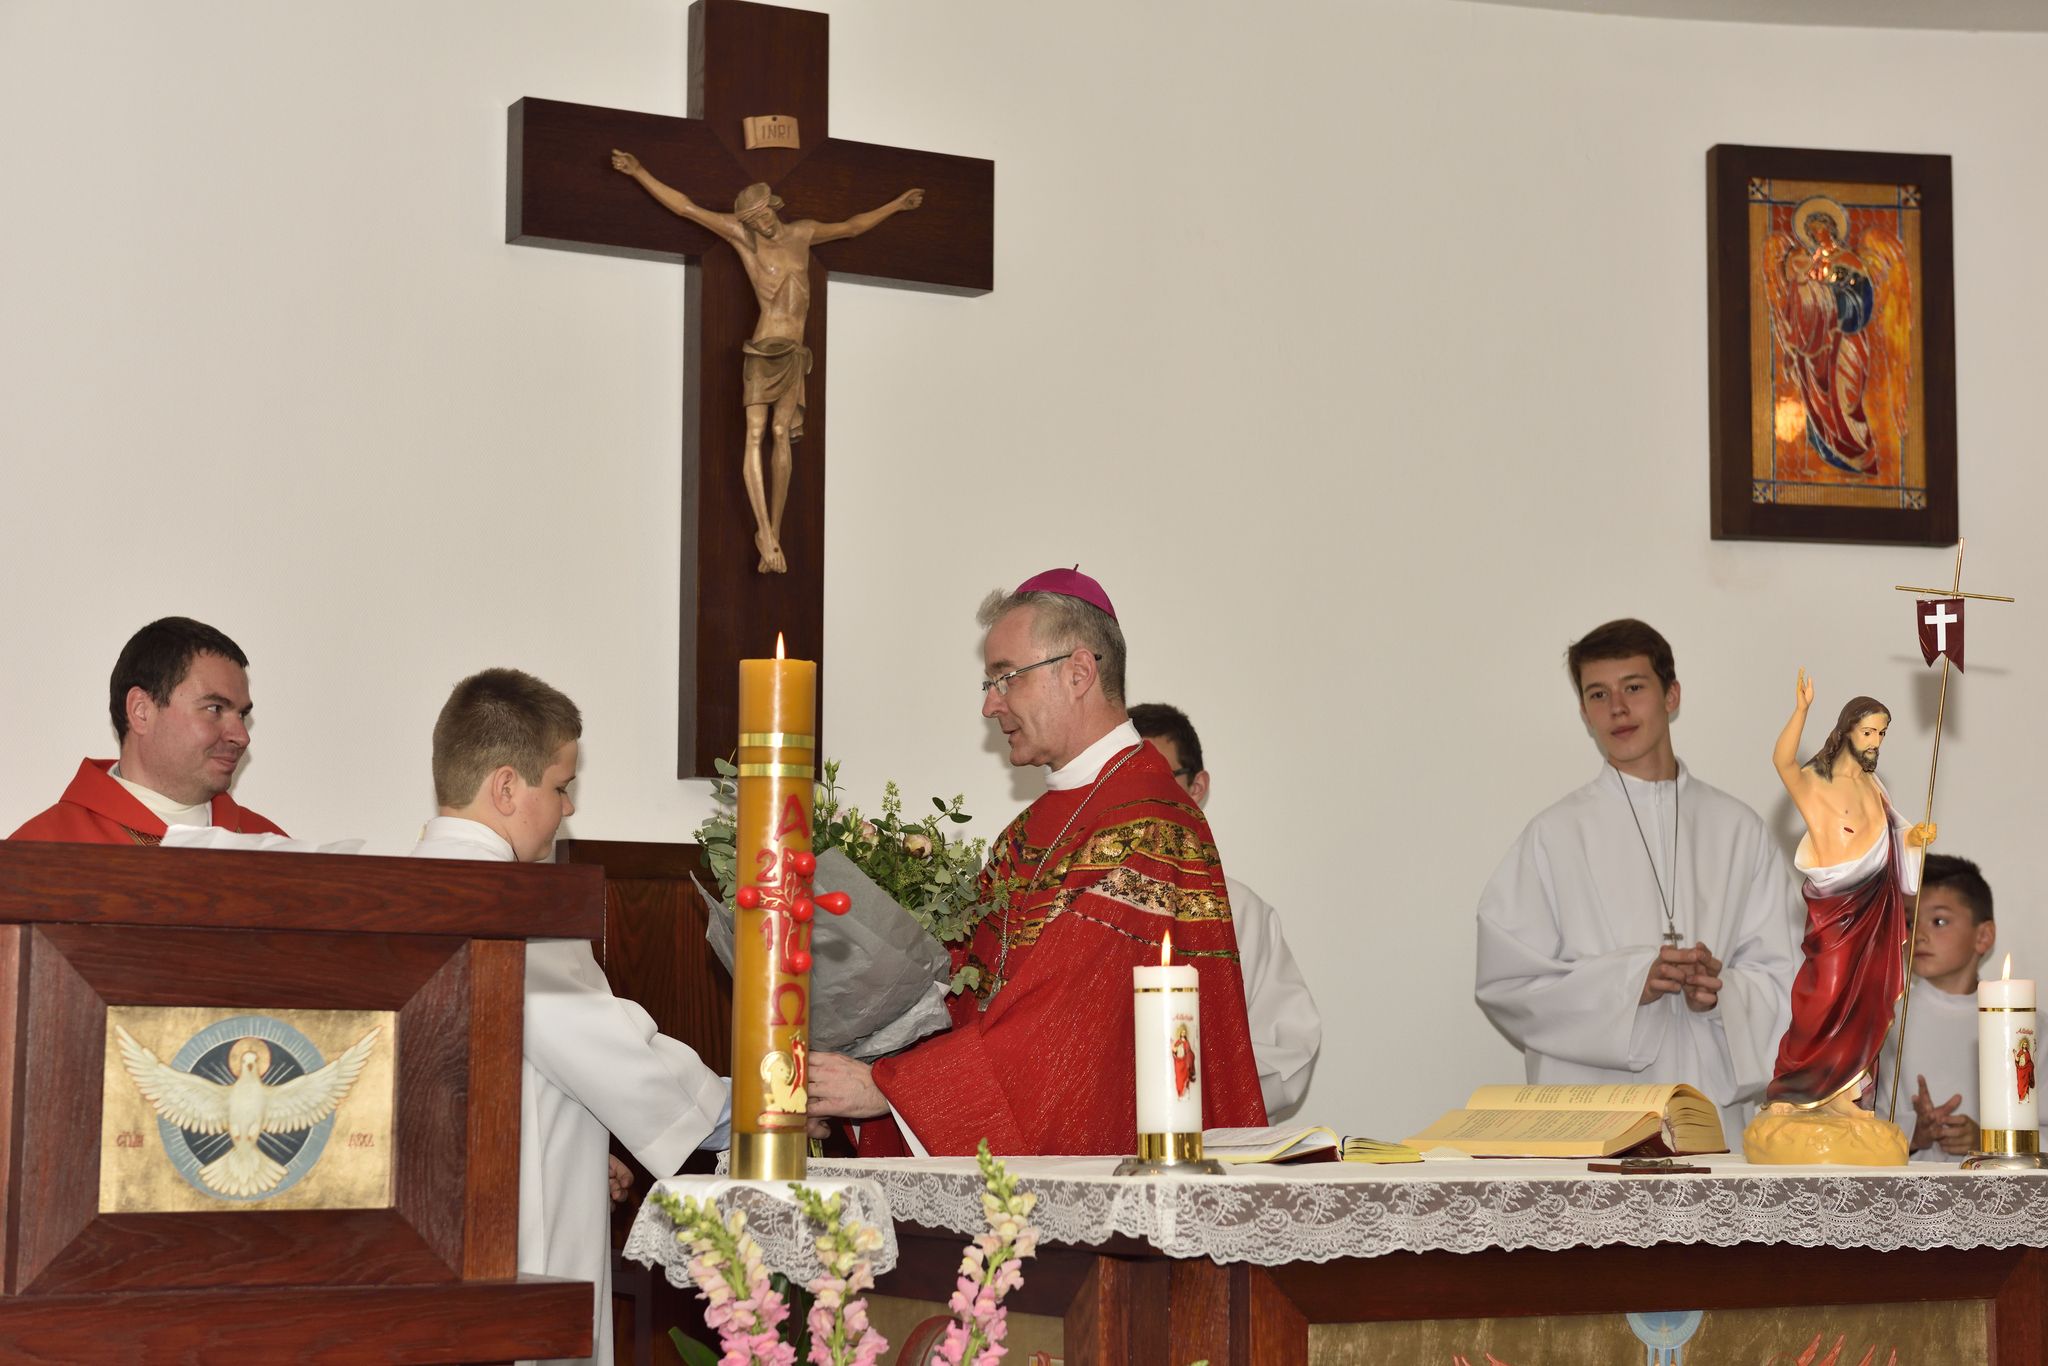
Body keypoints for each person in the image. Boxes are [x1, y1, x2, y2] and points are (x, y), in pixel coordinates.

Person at [805, 570, 1268, 1154]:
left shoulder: (1148, 824)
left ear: (1078, 672)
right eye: (989, 682)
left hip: (1114, 1171)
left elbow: (1063, 1026)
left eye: (1005, 678)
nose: (989, 705)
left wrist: (890, 1090)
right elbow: (963, 999)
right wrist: (850, 1065)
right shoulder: (1023, 835)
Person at [409, 668, 728, 1366]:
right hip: (516, 1243)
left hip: (415, 1247)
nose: (568, 807)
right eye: (560, 787)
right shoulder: (514, 907)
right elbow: (616, 1054)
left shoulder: (392, 894)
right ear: (505, 788)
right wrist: (752, 1109)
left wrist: (590, 1146)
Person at [1475, 618, 1802, 1140]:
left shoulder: (1737, 829)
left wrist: (1721, 995)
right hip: (1587, 1118)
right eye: (1598, 694)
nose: (1617, 709)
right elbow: (1508, 984)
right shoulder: (1554, 836)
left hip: (1707, 1113)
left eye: (1633, 687)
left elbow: (1788, 978)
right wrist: (1631, 985)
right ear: (1584, 712)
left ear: (1671, 696)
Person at [609, 150, 922, 574]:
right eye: (754, 221)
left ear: (775, 207)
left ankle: (773, 532)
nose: (763, 224)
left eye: (765, 216)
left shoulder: (803, 233)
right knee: (755, 433)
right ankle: (765, 532)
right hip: (763, 348)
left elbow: (851, 227)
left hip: (794, 353)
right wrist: (640, 171)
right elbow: (686, 208)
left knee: (780, 432)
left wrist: (897, 205)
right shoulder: (743, 239)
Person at [1129, 701, 1322, 1118]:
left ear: (1197, 787)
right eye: (1127, 781)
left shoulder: (1242, 912)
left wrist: (1182, 1078)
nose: (1141, 798)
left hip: (1217, 1141)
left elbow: (1290, 1050)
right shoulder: (1079, 904)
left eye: (1157, 779)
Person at [1765, 675, 1935, 1115]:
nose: (1876, 741)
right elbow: (1782, 761)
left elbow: (1889, 837)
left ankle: (1843, 1092)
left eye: (1882, 733)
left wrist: (1914, 837)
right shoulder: (1815, 782)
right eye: (1868, 732)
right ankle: (1792, 1086)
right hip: (1836, 907)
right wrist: (1801, 711)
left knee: (1866, 997)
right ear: (1846, 731)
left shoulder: (1874, 787)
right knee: (1825, 992)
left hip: (1875, 903)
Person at [11, 616, 285, 844]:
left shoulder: (272, 849)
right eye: (215, 708)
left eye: (242, 714)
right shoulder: (39, 853)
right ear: (141, 711)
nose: (241, 736)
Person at [1873, 855, 1997, 1163]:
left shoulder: (2023, 1025)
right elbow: (1862, 1119)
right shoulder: (1885, 1020)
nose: (1918, 935)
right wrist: (1913, 1134)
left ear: (1983, 936)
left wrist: (1988, 1139)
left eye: (1939, 921)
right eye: (1909, 922)